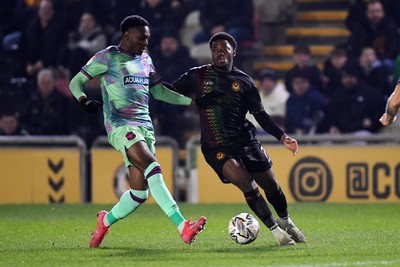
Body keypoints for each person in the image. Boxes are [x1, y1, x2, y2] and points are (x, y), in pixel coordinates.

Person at [68, 15, 206, 248]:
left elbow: (160, 92)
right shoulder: (107, 56)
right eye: (142, 38)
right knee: (153, 167)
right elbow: (75, 82)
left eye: (148, 39)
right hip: (121, 125)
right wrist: (83, 100)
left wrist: (193, 103)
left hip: (145, 126)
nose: (145, 43)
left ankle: (104, 221)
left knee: (139, 193)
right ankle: (183, 226)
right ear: (127, 35)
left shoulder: (146, 60)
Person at [171, 32, 306, 245]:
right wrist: (195, 102)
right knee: (247, 184)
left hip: (245, 141)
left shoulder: (245, 82)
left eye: (224, 48)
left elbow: (260, 114)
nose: (219, 53)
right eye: (215, 49)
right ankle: (277, 233)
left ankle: (286, 221)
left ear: (234, 51)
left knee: (271, 185)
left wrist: (282, 136)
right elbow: (169, 92)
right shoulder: (197, 75)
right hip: (216, 145)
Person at [21, 68, 70, 135]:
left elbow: (62, 123)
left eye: (48, 83)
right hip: (34, 137)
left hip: (56, 138)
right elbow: (25, 120)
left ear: (54, 83)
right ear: (38, 83)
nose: (45, 86)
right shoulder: (31, 100)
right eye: (42, 83)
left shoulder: (63, 101)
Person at [246, 68, 289, 133]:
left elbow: (279, 118)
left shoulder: (283, 95)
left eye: (270, 80)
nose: (267, 83)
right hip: (254, 130)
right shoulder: (256, 96)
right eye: (264, 81)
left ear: (275, 82)